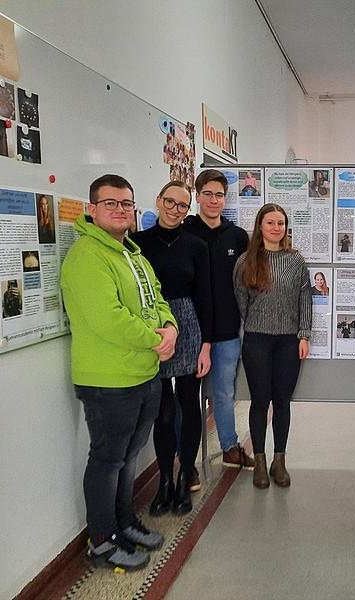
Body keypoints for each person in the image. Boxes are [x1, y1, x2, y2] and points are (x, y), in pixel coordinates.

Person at [61, 174, 177, 571]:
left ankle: (124, 523)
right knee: (108, 460)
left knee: (129, 459)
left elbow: (157, 297)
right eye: (111, 203)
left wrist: (171, 328)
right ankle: (102, 540)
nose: (121, 210)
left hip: (143, 375)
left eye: (126, 204)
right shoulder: (87, 257)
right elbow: (107, 319)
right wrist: (155, 339)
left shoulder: (132, 253)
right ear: (92, 209)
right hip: (108, 382)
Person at [130, 181, 212, 516]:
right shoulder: (137, 244)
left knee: (189, 404)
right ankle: (164, 480)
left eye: (182, 205)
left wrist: (205, 346)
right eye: (170, 202)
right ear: (158, 200)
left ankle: (183, 479)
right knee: (162, 409)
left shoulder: (195, 245)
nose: (175, 209)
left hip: (189, 323)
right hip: (155, 325)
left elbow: (205, 297)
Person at [234, 203, 312, 489]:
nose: (277, 228)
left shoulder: (296, 261)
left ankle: (279, 461)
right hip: (257, 340)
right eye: (271, 223)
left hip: (288, 342)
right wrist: (258, 320)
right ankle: (260, 461)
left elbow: (305, 299)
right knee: (259, 401)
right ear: (260, 226)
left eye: (281, 223)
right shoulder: (246, 261)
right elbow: (241, 299)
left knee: (282, 402)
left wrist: (304, 334)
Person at [182, 170, 254, 469]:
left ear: (226, 198)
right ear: (198, 195)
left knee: (224, 392)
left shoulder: (237, 236)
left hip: (225, 330)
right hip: (188, 329)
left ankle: (229, 445)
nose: (214, 200)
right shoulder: (184, 232)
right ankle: (184, 462)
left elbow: (250, 277)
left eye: (219, 195)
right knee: (185, 398)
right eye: (208, 194)